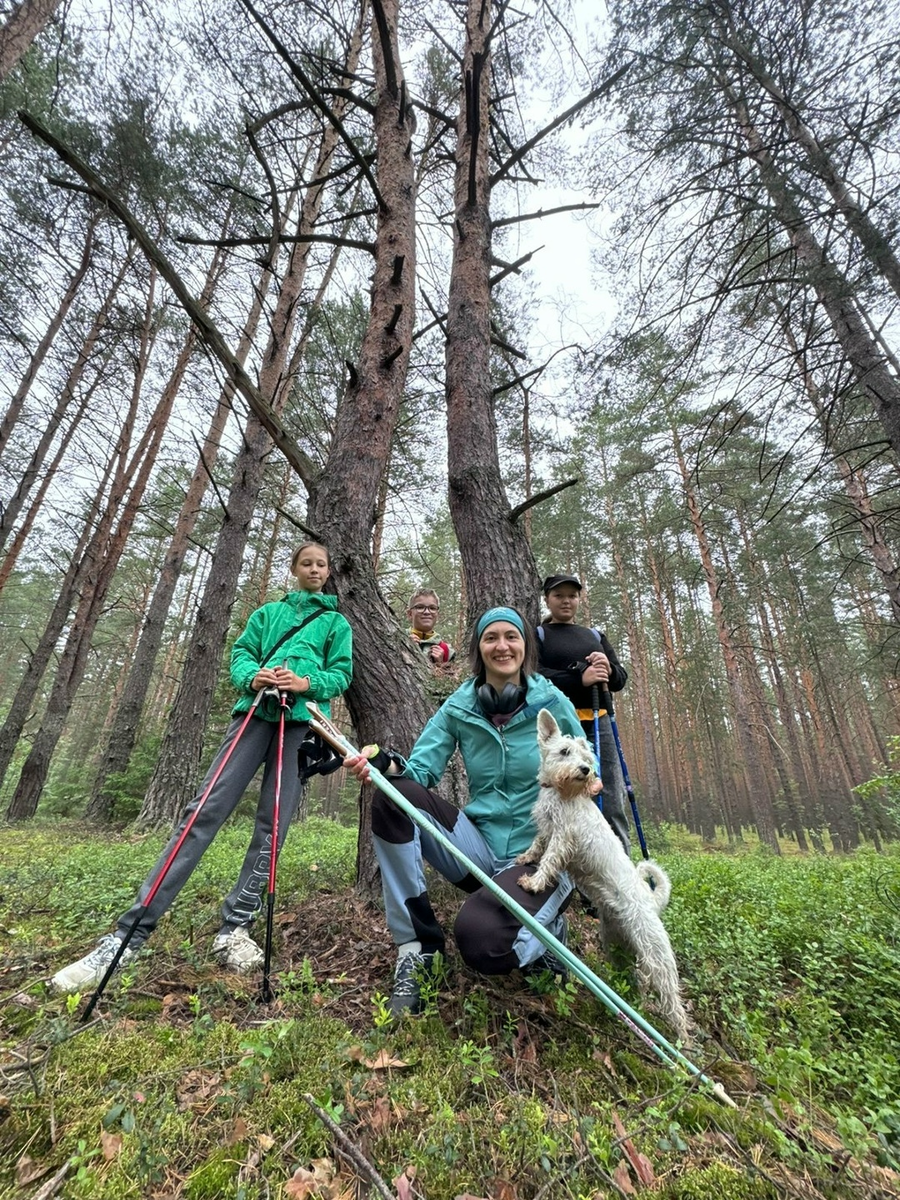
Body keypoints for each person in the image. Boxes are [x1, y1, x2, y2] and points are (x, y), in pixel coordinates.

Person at [51, 542, 353, 993]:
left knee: (274, 824)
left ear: (329, 572)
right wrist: (255, 676)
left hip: (300, 724)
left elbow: (342, 673)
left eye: (321, 565)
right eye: (306, 563)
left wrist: (307, 682)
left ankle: (236, 928)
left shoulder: (335, 622)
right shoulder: (267, 614)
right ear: (294, 569)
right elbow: (241, 654)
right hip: (253, 715)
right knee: (204, 811)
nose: (314, 569)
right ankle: (127, 936)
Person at [344, 606, 586, 1019]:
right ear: (478, 647)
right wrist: (384, 764)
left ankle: (546, 936)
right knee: (393, 796)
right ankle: (417, 949)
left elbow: (585, 769)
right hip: (479, 850)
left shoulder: (552, 701)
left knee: (483, 941)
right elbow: (419, 772)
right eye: (491, 637)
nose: (501, 645)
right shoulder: (460, 707)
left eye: (511, 636)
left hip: (544, 853)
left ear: (525, 647)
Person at [536, 574, 631, 854]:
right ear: (547, 600)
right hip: (562, 728)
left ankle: (620, 864)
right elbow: (535, 675)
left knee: (610, 796)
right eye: (559, 596)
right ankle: (572, 868)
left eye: (572, 596)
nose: (566, 601)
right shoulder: (539, 635)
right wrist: (580, 677)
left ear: (579, 599)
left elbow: (619, 680)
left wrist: (608, 668)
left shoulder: (595, 636)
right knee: (562, 796)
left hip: (599, 719)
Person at [406, 588, 455, 665]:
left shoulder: (447, 651)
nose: (427, 612)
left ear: (437, 614)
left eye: (432, 608)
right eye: (420, 607)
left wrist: (440, 665)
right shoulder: (398, 639)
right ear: (409, 614)